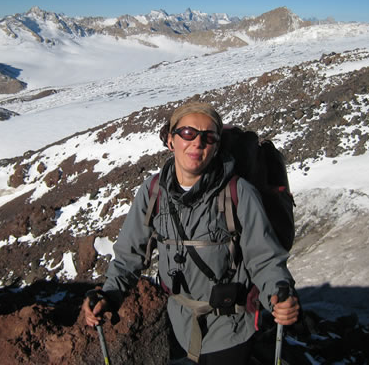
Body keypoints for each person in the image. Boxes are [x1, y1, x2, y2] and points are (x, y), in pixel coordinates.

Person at [83, 101, 300, 364]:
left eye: (209, 137)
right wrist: (109, 294)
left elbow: (263, 258)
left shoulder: (238, 192)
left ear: (216, 146)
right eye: (188, 133)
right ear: (170, 140)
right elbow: (129, 255)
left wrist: (278, 293)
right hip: (178, 323)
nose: (197, 143)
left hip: (230, 328)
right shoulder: (153, 192)